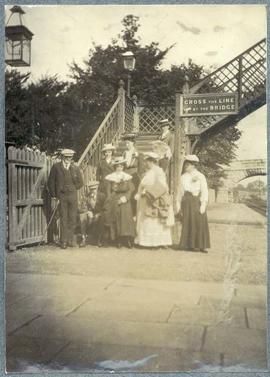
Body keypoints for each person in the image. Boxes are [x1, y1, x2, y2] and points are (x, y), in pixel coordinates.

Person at [135, 152, 174, 248]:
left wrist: (148, 191)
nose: (146, 164)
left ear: (152, 162)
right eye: (146, 162)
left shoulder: (158, 171)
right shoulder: (148, 172)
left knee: (155, 220)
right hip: (146, 199)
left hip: (154, 199)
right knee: (146, 219)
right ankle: (146, 242)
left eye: (147, 162)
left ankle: (157, 242)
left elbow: (162, 186)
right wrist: (141, 192)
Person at [48, 149, 84, 249]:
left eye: (70, 157)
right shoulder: (56, 167)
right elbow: (50, 182)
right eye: (66, 157)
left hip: (72, 197)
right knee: (63, 218)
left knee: (72, 218)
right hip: (62, 197)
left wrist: (73, 188)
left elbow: (81, 182)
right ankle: (63, 241)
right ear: (62, 157)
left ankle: (70, 240)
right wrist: (55, 195)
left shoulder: (75, 168)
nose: (68, 159)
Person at [177, 154, 210, 253]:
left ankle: (201, 245)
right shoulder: (183, 177)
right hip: (186, 201)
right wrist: (178, 205)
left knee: (199, 222)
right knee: (188, 222)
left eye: (187, 165)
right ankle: (190, 245)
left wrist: (203, 204)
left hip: (197, 201)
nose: (185, 167)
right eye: (185, 165)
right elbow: (180, 192)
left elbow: (204, 190)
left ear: (193, 165)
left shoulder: (200, 176)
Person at [104, 157, 136, 248]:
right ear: (115, 167)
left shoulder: (127, 177)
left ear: (123, 167)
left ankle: (127, 240)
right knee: (116, 220)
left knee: (126, 220)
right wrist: (111, 199)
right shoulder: (111, 177)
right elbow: (108, 191)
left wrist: (125, 198)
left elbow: (130, 189)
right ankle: (118, 240)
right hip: (114, 199)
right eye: (117, 166)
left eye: (121, 166)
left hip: (125, 200)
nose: (119, 168)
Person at [77, 181, 106, 247]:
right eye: (91, 189)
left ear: (97, 188)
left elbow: (105, 208)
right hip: (90, 214)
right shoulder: (87, 196)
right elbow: (82, 207)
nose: (93, 191)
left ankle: (99, 240)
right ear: (89, 189)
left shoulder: (102, 196)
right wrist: (88, 211)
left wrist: (99, 214)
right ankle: (83, 239)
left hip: (99, 214)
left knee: (101, 218)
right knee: (82, 217)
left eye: (94, 189)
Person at [122, 134, 139, 215]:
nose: (127, 145)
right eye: (126, 143)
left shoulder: (136, 153)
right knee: (126, 193)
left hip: (134, 176)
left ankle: (134, 213)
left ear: (132, 143)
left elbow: (139, 165)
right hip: (126, 176)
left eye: (128, 143)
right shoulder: (125, 153)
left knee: (133, 193)